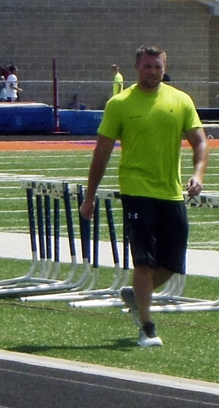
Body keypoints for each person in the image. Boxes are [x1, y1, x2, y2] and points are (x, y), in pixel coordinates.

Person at [80, 45, 208, 348]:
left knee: (173, 262)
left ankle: (138, 295)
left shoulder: (181, 100)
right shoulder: (120, 104)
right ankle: (147, 326)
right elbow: (101, 153)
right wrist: (90, 196)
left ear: (164, 68)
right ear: (137, 68)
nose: (153, 72)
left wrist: (198, 174)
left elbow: (200, 143)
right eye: (148, 67)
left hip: (171, 192)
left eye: (158, 67)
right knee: (143, 260)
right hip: (137, 190)